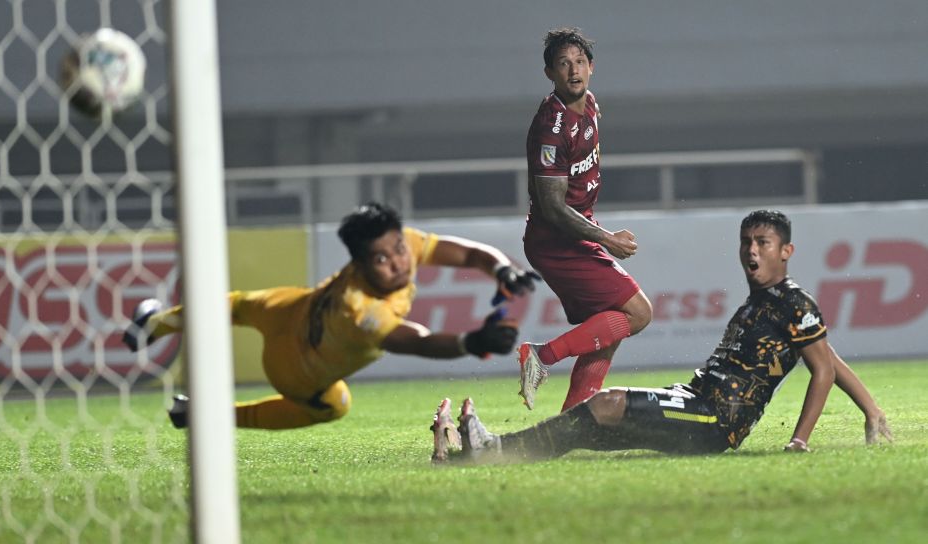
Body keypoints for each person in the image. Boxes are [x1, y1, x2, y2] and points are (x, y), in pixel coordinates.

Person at [431, 210, 893, 463]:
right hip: (694, 399)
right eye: (746, 242)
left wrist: (800, 441)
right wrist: (872, 411)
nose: (751, 250)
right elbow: (828, 354)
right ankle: (486, 452)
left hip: (715, 420)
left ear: (786, 251)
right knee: (590, 425)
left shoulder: (794, 301)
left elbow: (823, 368)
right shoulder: (762, 302)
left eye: (763, 243)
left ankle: (493, 443)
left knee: (605, 404)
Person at [124, 202, 540, 431]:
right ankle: (199, 415)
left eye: (398, 248)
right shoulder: (358, 310)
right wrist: (472, 342)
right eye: (381, 258)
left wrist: (503, 269)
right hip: (295, 367)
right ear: (359, 264)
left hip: (293, 307)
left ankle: (154, 324)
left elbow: (467, 253)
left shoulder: (402, 246)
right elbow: (415, 341)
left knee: (236, 304)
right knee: (335, 404)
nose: (398, 262)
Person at [519, 27, 653, 412]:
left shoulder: (591, 104)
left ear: (591, 67)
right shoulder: (551, 129)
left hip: (574, 236)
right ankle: (541, 356)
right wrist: (606, 238)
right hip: (555, 242)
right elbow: (553, 208)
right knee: (638, 313)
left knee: (608, 329)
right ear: (550, 73)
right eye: (563, 64)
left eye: (579, 62)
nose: (573, 71)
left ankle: (572, 421)